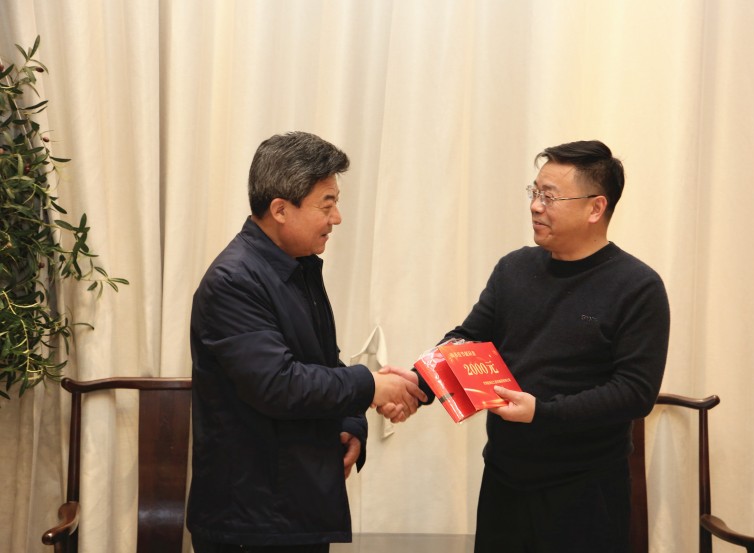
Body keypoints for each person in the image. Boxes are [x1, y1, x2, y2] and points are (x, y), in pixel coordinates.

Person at [384, 139, 670, 552]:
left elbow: (634, 393)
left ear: (595, 208)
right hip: (505, 480)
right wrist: (419, 383)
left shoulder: (637, 287)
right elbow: (468, 339)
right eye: (535, 192)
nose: (535, 206)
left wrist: (542, 412)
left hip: (585, 491)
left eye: (550, 197)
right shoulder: (514, 269)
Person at [187, 131, 426, 553]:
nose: (337, 218)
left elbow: (324, 362)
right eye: (326, 205)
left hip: (295, 506)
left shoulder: (298, 266)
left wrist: (351, 423)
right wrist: (371, 386)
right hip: (250, 519)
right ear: (280, 209)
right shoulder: (234, 281)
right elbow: (279, 384)